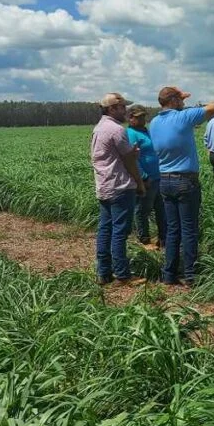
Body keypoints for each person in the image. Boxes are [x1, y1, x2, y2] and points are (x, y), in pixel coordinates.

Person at [149, 77, 214, 286]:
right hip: (184, 181)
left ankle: (169, 274)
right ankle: (190, 276)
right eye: (180, 99)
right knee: (189, 229)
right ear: (173, 101)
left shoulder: (154, 122)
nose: (183, 102)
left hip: (164, 180)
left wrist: (179, 97)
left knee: (172, 229)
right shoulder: (183, 118)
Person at [91, 92, 146, 287]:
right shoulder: (116, 129)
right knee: (120, 232)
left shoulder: (98, 128)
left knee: (105, 229)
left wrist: (131, 153)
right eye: (122, 107)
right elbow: (128, 160)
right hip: (120, 186)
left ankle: (103, 272)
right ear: (111, 109)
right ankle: (122, 274)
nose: (126, 111)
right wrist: (139, 183)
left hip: (104, 185)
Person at [126, 105, 165, 250]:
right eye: (138, 117)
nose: (142, 119)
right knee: (142, 210)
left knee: (161, 209)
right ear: (130, 118)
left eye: (143, 116)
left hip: (157, 177)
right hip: (146, 180)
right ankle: (144, 240)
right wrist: (143, 177)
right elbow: (132, 159)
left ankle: (163, 238)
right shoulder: (131, 133)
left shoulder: (145, 131)